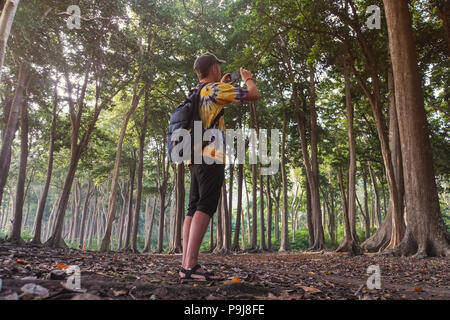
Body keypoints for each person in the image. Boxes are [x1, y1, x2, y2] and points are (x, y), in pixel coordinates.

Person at [179, 53, 259, 281]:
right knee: (205, 205)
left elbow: (208, 111)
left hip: (193, 156)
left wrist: (223, 84)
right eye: (218, 66)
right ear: (214, 68)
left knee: (192, 207)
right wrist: (248, 78)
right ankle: (192, 265)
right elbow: (253, 94)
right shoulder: (214, 90)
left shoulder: (197, 91)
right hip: (210, 155)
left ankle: (185, 264)